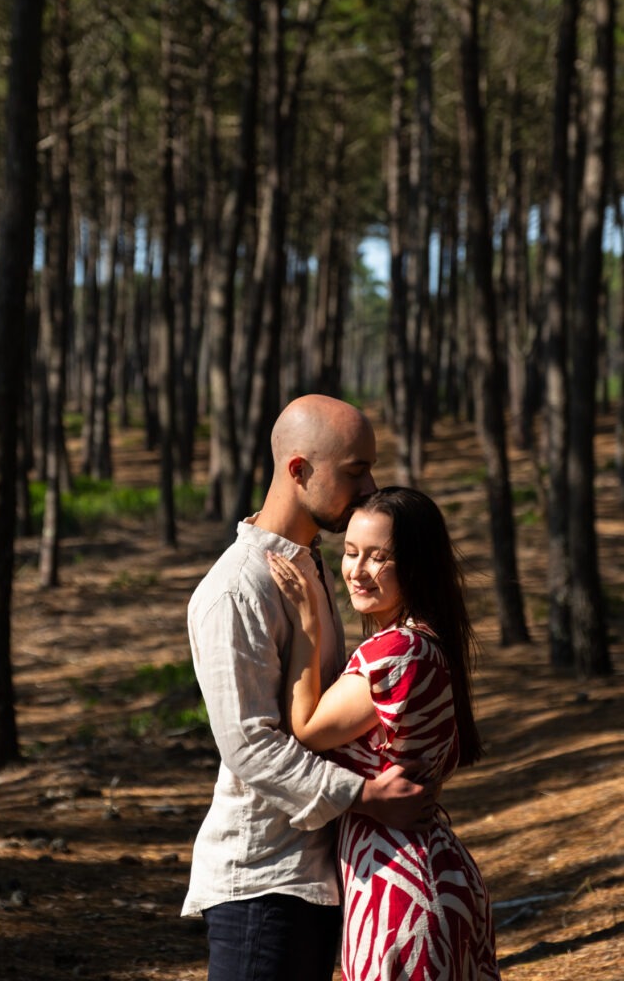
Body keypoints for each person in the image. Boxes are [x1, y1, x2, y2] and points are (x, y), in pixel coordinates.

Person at [181, 396, 435, 981]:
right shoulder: (234, 591)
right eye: (354, 471)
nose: (370, 487)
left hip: (317, 876)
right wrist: (365, 796)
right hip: (261, 882)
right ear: (299, 470)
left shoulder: (312, 568)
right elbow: (251, 748)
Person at [268, 486, 501, 981]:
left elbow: (306, 728)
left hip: (402, 888)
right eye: (351, 553)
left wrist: (309, 623)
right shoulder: (423, 641)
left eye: (380, 558)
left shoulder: (397, 652)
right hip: (419, 874)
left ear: (415, 564)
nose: (358, 570)